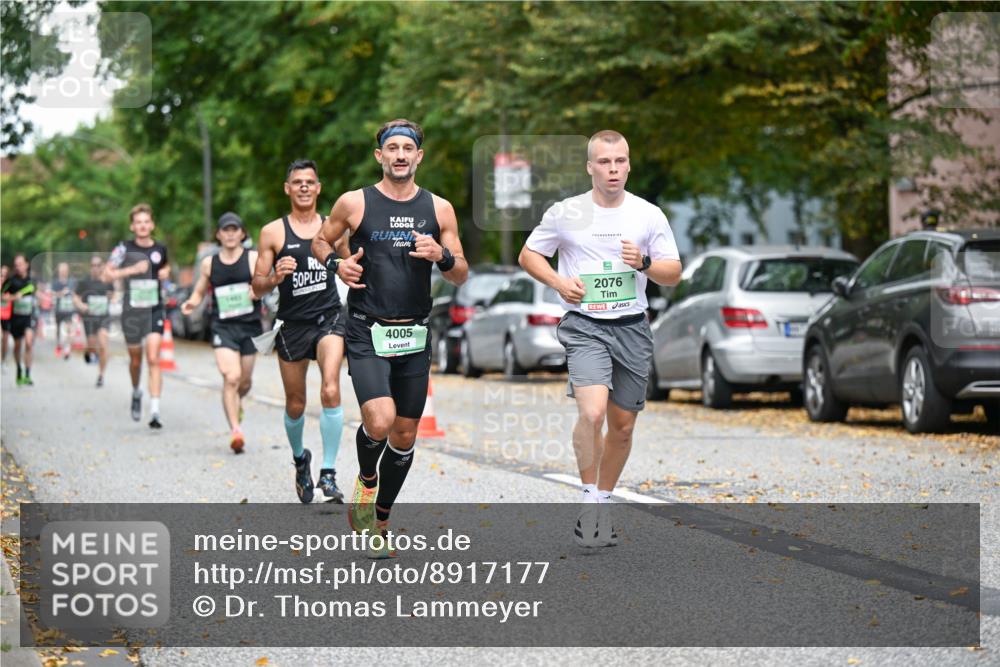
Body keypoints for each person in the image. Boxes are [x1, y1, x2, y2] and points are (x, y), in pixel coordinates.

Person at [518, 130, 682, 547]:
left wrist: (643, 262)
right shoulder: (566, 212)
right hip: (585, 325)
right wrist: (559, 282)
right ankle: (589, 499)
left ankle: (603, 501)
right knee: (592, 414)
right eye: (605, 162)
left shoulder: (648, 214)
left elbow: (673, 273)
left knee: (622, 426)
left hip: (632, 326)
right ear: (590, 166)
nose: (613, 169)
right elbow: (529, 254)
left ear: (629, 165)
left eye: (620, 161)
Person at [312, 118, 468, 556]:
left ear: (419, 156)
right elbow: (321, 242)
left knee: (404, 435)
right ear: (379, 155)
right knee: (379, 420)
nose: (400, 155)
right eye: (392, 148)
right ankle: (366, 480)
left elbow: (460, 273)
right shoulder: (354, 202)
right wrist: (336, 265)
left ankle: (380, 520)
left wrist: (442, 255)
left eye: (408, 148)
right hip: (367, 327)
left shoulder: (440, 209)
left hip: (414, 333)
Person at [251, 160, 346, 502]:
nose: (304, 186)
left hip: (329, 317)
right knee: (296, 403)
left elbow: (351, 264)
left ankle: (329, 473)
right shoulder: (272, 233)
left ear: (318, 188)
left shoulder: (334, 227)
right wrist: (275, 276)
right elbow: (257, 287)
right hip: (292, 325)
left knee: (331, 388)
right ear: (287, 188)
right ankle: (300, 460)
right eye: (297, 182)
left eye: (309, 181)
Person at [182, 213, 262, 453]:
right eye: (225, 230)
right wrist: (192, 302)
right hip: (222, 327)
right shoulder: (209, 263)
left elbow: (265, 284)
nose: (230, 234)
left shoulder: (252, 258)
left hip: (249, 326)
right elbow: (199, 290)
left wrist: (257, 291)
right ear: (218, 234)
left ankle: (237, 402)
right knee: (231, 377)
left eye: (234, 229)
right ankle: (236, 430)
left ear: (242, 233)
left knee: (245, 382)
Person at [105, 203, 170, 428]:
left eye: (146, 222)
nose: (142, 226)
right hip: (131, 312)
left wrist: (165, 273)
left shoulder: (160, 249)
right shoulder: (123, 248)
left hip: (154, 308)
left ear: (152, 225)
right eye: (138, 222)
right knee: (135, 360)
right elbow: (107, 274)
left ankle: (155, 411)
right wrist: (131, 270)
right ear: (132, 226)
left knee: (153, 358)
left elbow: (165, 268)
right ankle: (136, 391)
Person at [74, 254, 115, 387]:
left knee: (103, 345)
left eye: (98, 265)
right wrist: (81, 305)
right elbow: (76, 297)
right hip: (89, 318)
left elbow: (114, 294)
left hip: (103, 317)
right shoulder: (84, 282)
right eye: (93, 266)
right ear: (90, 267)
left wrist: (112, 298)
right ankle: (89, 352)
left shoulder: (107, 281)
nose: (95, 268)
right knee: (92, 344)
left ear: (102, 266)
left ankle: (101, 375)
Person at [2, 254, 38, 386]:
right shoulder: (11, 281)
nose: (18, 267)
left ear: (26, 265)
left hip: (28, 317)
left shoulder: (32, 280)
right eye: (16, 265)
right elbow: (2, 296)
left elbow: (37, 293)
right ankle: (19, 369)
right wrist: (13, 298)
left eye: (20, 264)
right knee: (18, 346)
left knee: (28, 343)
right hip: (16, 318)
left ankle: (27, 374)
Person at [51, 261, 76, 359]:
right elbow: (52, 293)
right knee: (58, 328)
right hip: (58, 309)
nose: (63, 271)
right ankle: (59, 344)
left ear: (68, 271)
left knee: (69, 328)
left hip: (69, 309)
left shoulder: (72, 281)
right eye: (61, 270)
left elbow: (76, 293)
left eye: (65, 270)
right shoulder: (55, 282)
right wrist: (61, 293)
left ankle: (67, 348)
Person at [1, 264, 12, 367]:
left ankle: (3, 360)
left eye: (5, 275)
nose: (3, 277)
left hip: (7, 316)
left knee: (5, 340)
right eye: (1, 275)